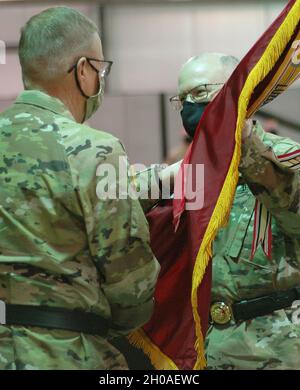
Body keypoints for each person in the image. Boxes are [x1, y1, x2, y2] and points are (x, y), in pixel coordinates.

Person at [0, 6, 164, 370]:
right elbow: (129, 277)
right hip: (68, 350)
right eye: (101, 69)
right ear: (84, 70)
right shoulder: (94, 149)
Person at [170, 52, 300, 369]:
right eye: (182, 98)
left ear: (234, 93)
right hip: (212, 344)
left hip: (277, 347)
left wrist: (241, 141)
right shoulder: (187, 172)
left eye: (199, 93)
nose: (189, 106)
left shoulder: (284, 157)